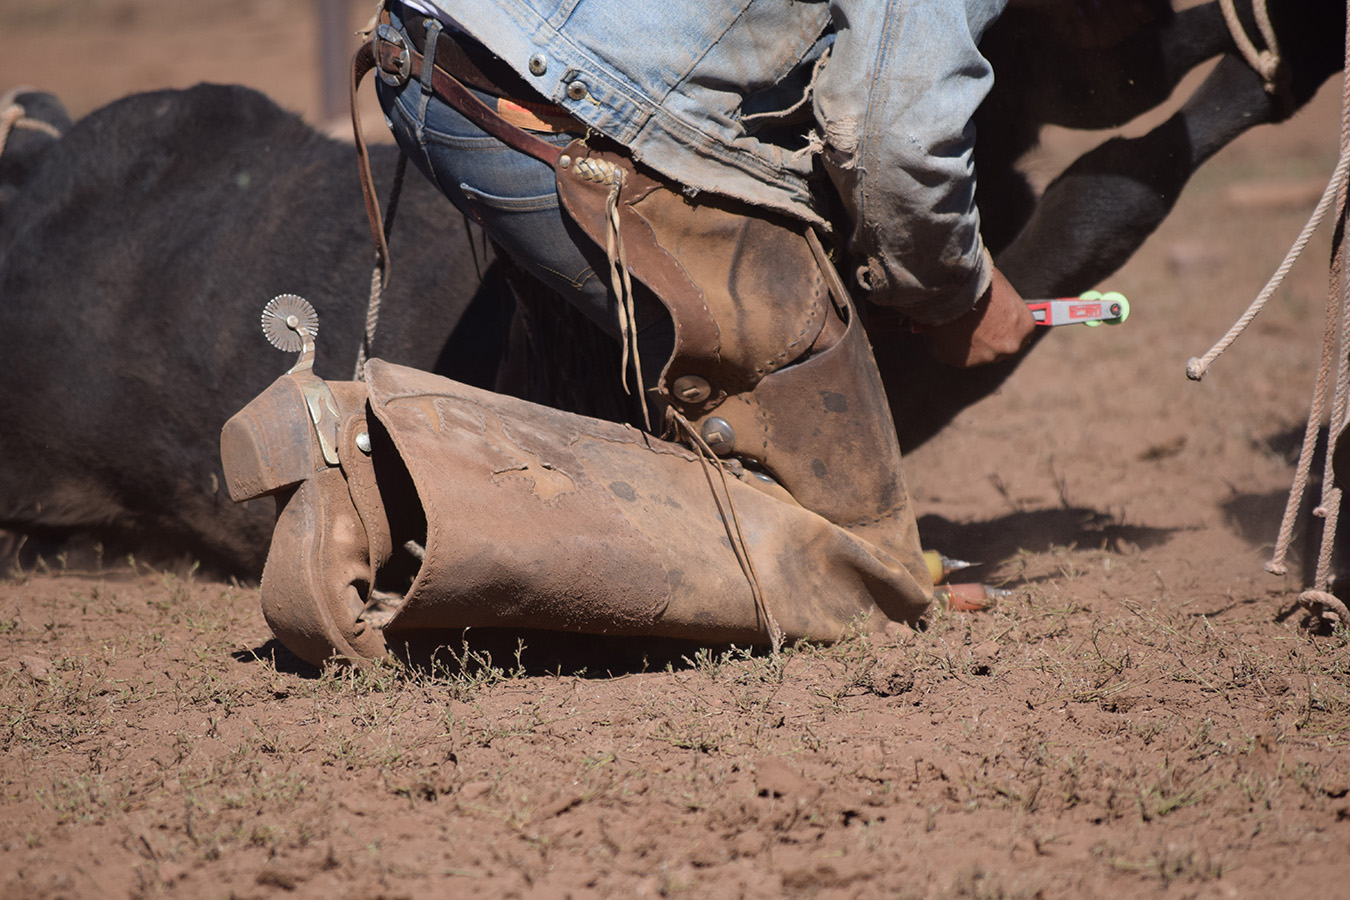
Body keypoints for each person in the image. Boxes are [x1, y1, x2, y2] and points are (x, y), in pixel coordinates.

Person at [220, 0, 1131, 665]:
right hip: (552, 110)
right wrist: (956, 292)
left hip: (433, 54)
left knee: (621, 383)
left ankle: (405, 476)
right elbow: (897, 135)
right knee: (846, 510)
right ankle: (358, 486)